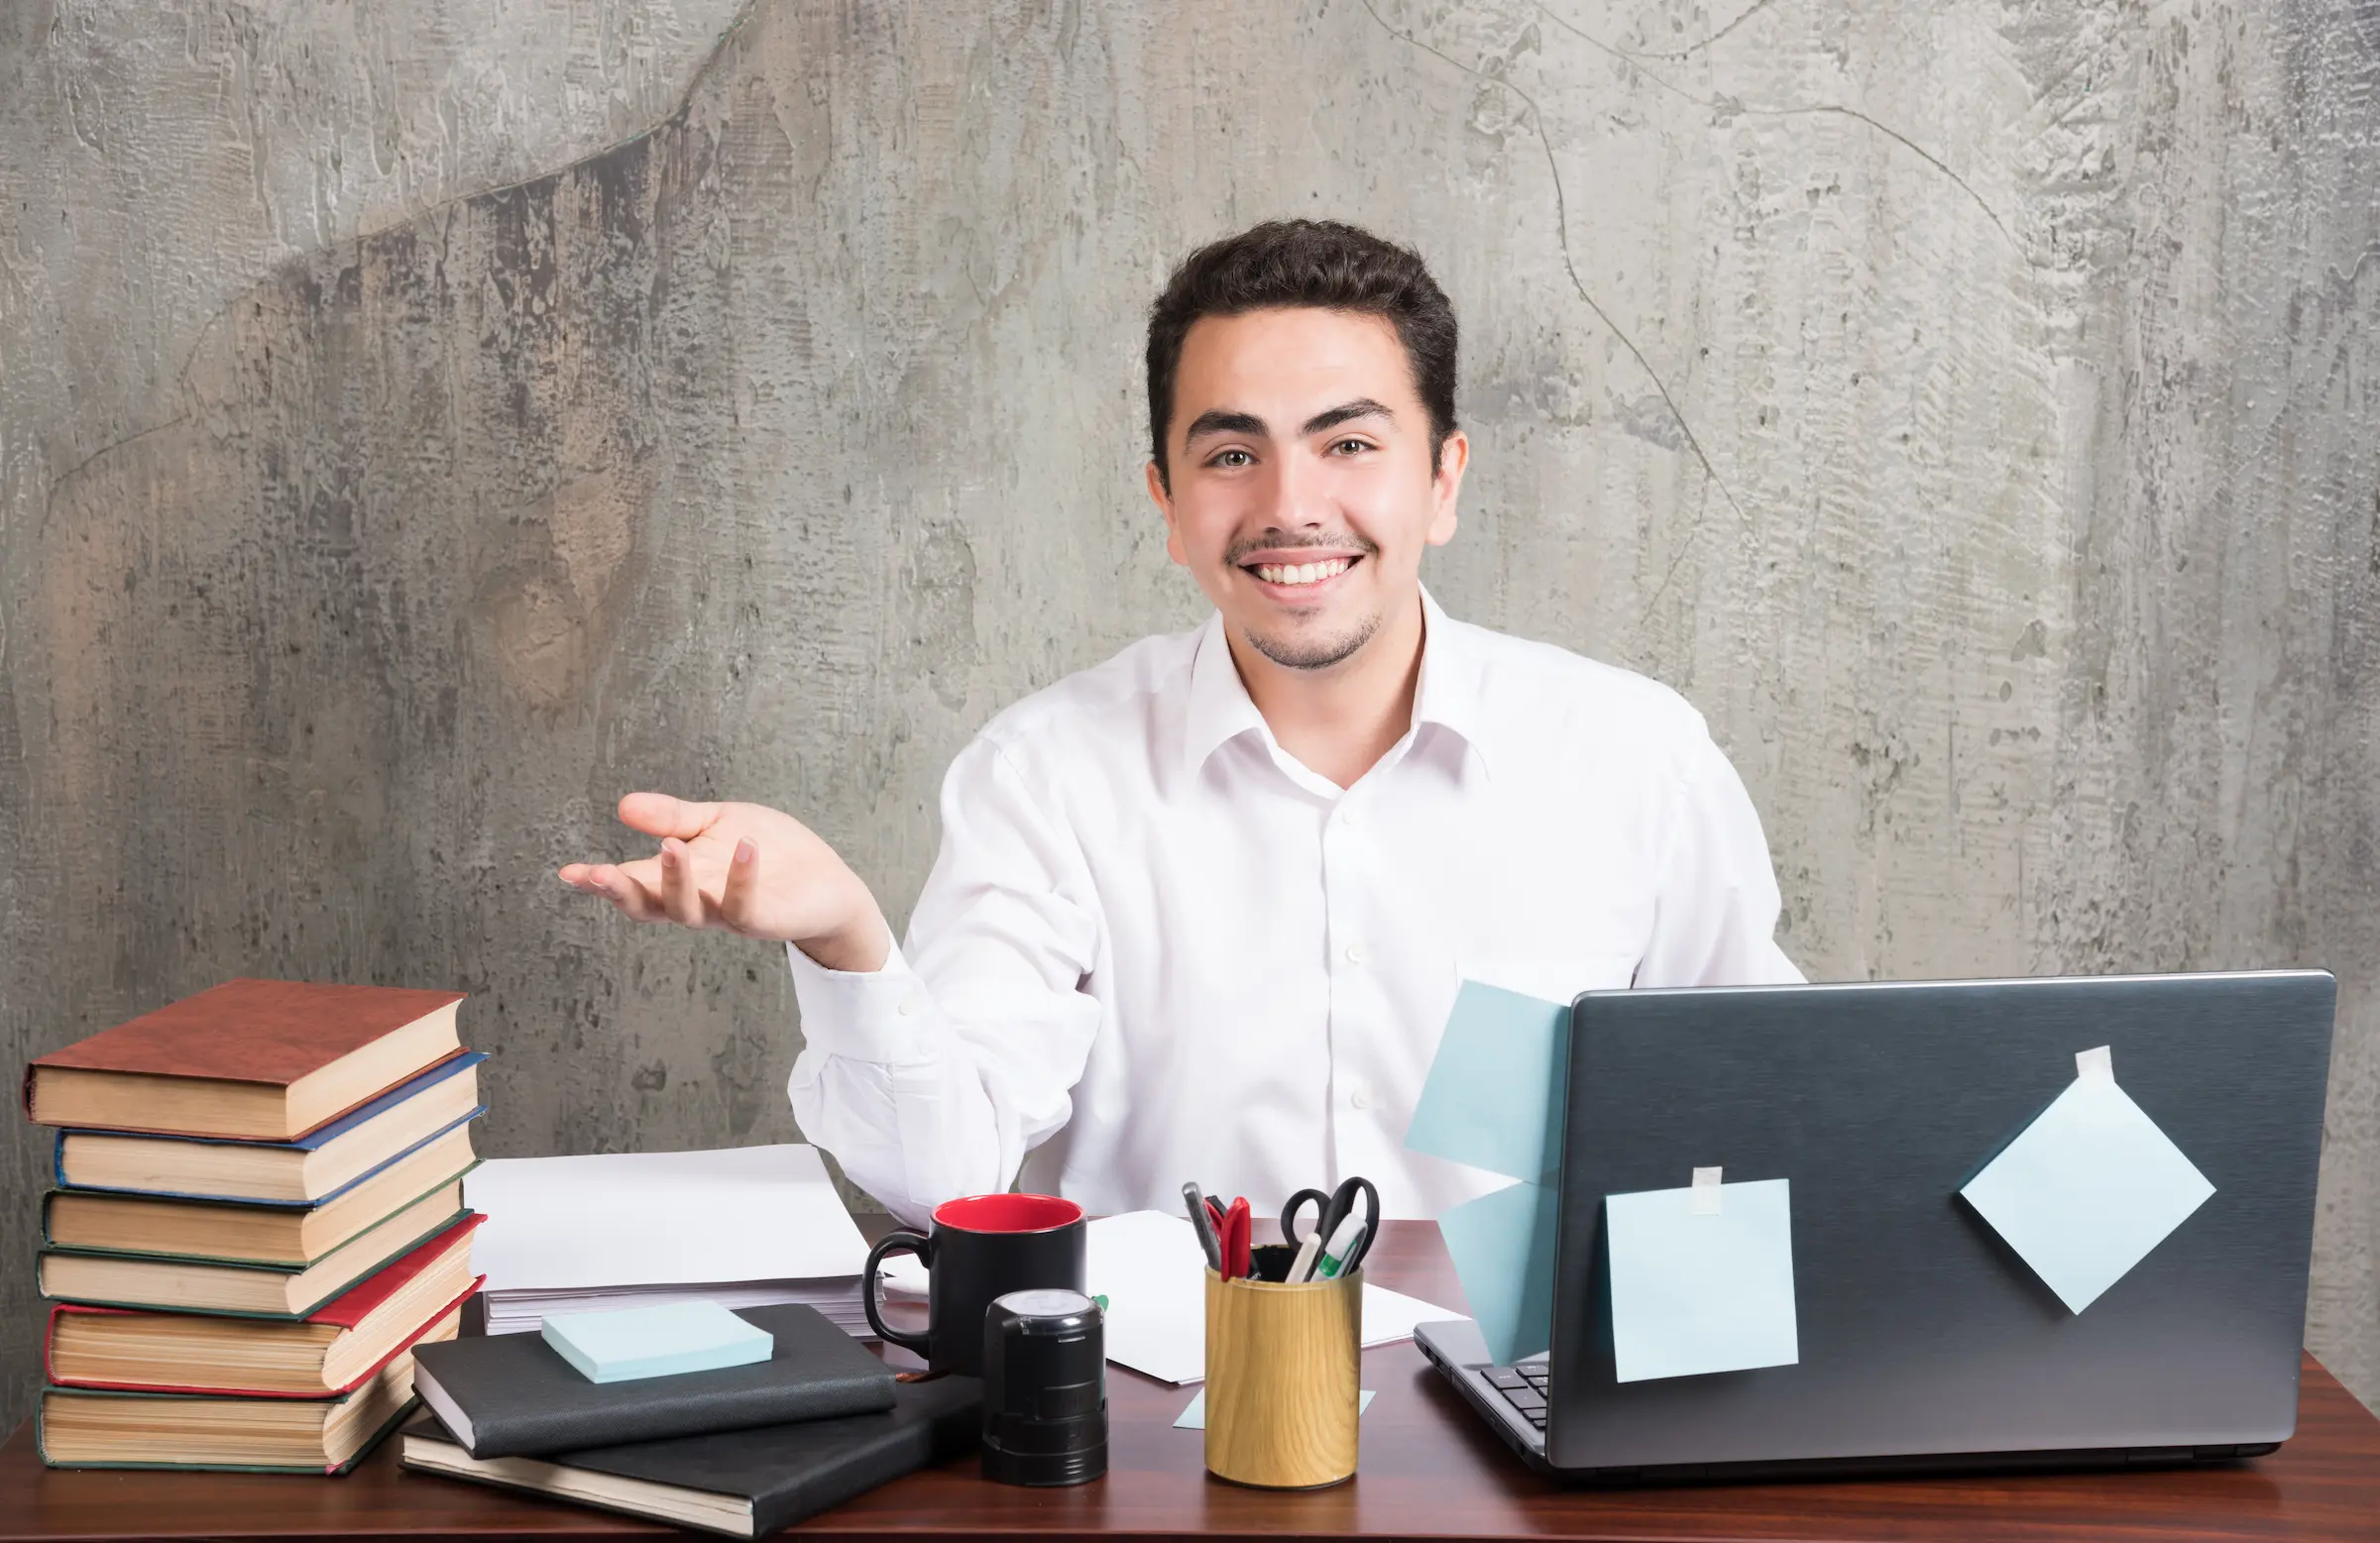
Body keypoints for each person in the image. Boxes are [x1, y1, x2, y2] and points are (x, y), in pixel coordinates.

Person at [559, 219, 1799, 1224]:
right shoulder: (1048, 775)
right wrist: (844, 939)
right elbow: (947, 1176)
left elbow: (1763, 1129)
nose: (1289, 505)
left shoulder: (1634, 761)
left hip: (1528, 1432)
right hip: (1149, 1445)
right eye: (1229, 456)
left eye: (1349, 442)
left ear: (1443, 479)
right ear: (1166, 497)